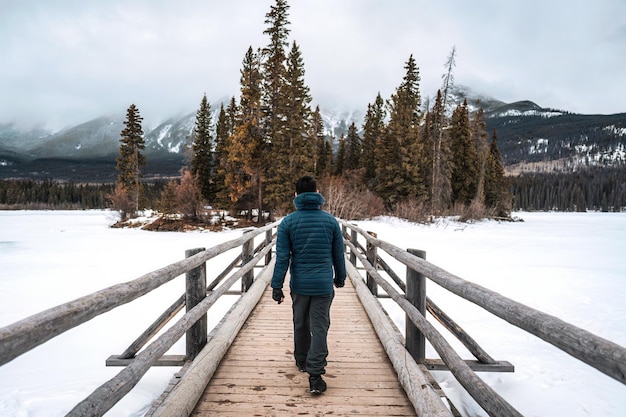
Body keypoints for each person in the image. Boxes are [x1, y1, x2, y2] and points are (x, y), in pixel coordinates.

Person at [271, 175, 347, 395]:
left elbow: (282, 257)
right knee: (320, 328)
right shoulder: (331, 221)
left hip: (300, 285)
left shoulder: (288, 222)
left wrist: (277, 286)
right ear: (316, 193)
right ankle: (315, 376)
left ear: (296, 195)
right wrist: (340, 277)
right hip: (323, 285)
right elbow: (338, 254)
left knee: (300, 324)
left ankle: (302, 360)